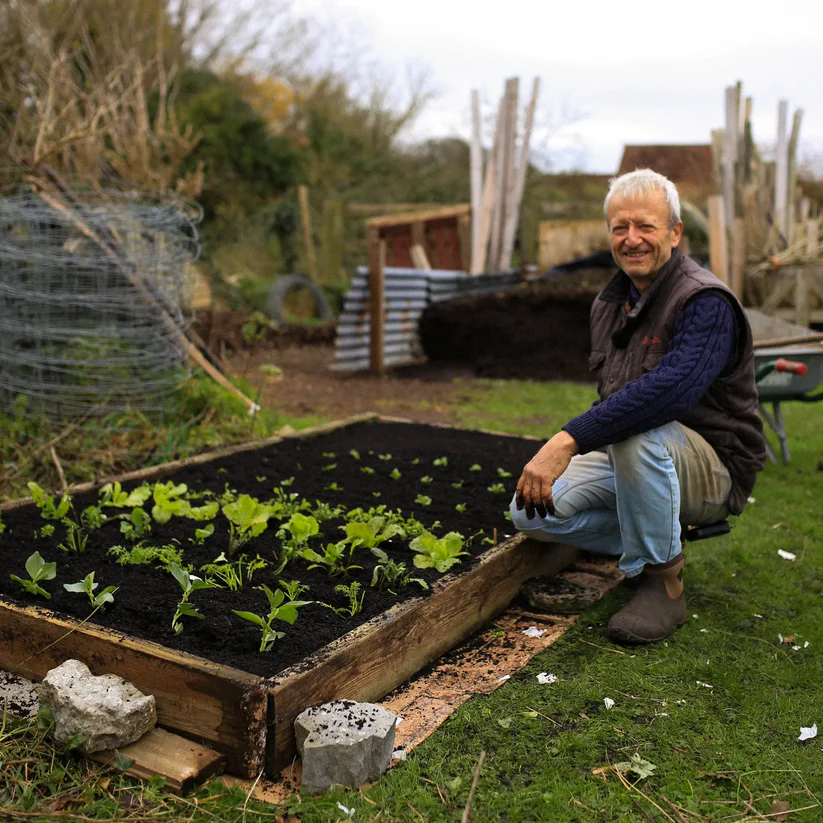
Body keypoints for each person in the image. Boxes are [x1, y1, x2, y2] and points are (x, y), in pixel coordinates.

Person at [510, 168, 766, 645]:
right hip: (643, 455)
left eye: (646, 226)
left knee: (636, 428)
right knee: (533, 513)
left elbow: (670, 393)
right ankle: (656, 533)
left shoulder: (703, 300)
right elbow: (613, 394)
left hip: (712, 466)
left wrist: (568, 440)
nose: (632, 239)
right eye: (620, 227)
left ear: (674, 232)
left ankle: (661, 582)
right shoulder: (610, 304)